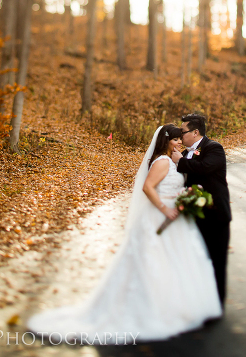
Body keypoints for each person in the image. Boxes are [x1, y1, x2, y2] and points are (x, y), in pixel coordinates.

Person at [27, 124, 222, 343]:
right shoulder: (162, 161)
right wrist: (165, 208)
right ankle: (151, 308)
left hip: (176, 220)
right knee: (155, 262)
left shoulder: (174, 161)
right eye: (175, 139)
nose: (179, 143)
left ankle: (175, 305)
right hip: (159, 216)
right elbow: (148, 187)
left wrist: (185, 195)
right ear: (166, 141)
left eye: (180, 139)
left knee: (176, 261)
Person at [171, 113, 231, 308]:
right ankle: (199, 303)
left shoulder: (214, 148)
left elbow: (204, 167)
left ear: (196, 132)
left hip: (215, 216)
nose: (180, 137)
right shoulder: (184, 153)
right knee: (197, 261)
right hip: (193, 216)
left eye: (183, 132)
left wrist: (180, 161)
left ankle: (216, 307)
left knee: (216, 261)